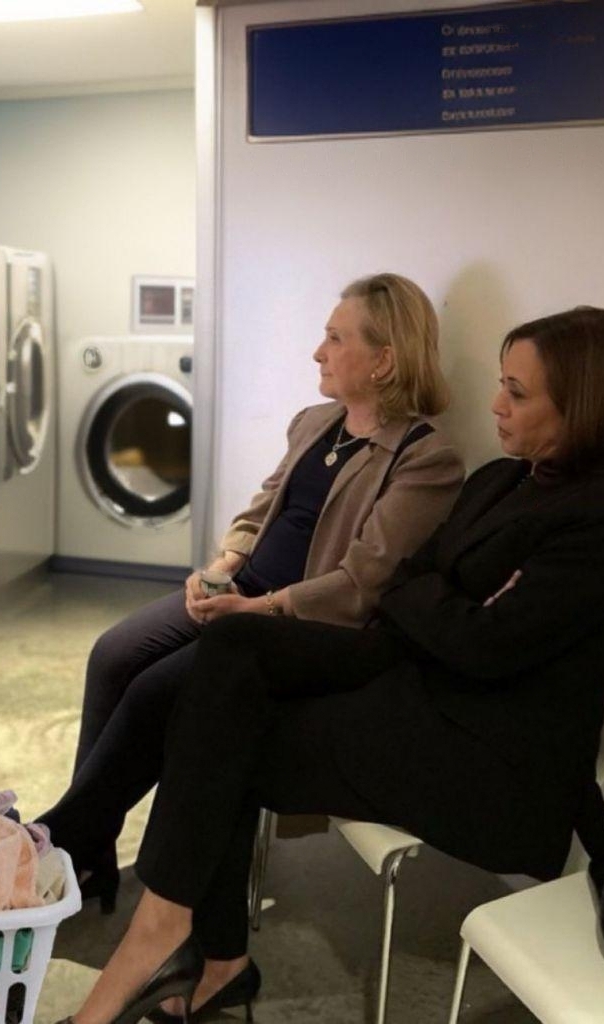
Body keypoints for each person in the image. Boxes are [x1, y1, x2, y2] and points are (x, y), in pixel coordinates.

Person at [53, 305, 604, 1024]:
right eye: (501, 383)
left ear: (585, 406)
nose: (495, 404)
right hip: (418, 682)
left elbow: (485, 645)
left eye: (517, 392)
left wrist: (437, 601)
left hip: (489, 757)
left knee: (223, 731)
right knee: (228, 651)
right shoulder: (502, 478)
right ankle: (170, 929)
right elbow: (407, 587)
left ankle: (167, 935)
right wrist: (449, 603)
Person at [41, 273, 465, 910]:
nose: (318, 352)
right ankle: (91, 854)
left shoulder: (425, 459)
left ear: (383, 359)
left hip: (296, 626)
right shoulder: (316, 422)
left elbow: (362, 583)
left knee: (161, 693)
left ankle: (58, 849)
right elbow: (261, 509)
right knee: (113, 654)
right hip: (242, 593)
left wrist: (255, 608)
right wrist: (220, 569)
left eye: (335, 339)